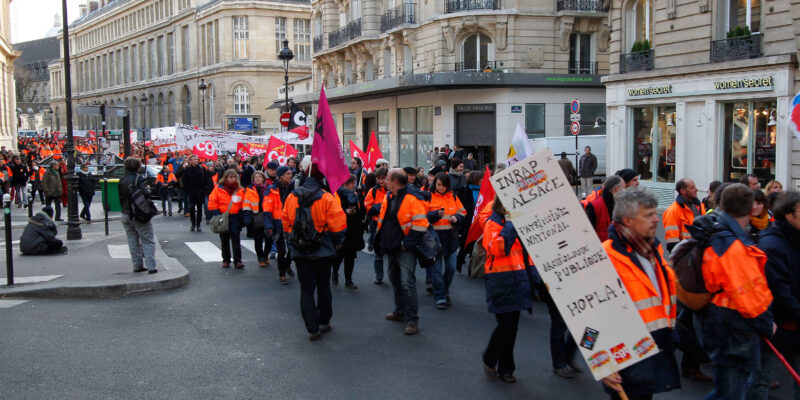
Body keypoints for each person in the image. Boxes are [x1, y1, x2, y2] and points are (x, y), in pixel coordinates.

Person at [694, 184, 774, 400]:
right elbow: (748, 296)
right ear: (750, 210)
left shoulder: (719, 233)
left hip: (717, 322)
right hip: (731, 329)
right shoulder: (732, 245)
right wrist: (768, 325)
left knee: (727, 391)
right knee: (730, 394)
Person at [601, 188, 680, 400]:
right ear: (627, 221)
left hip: (655, 347)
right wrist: (602, 363)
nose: (656, 219)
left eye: (655, 213)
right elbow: (586, 316)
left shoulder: (652, 250)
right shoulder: (606, 257)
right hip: (626, 357)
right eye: (648, 215)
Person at [282, 156, 347, 340]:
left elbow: (285, 221)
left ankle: (312, 327)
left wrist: (290, 242)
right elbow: (339, 225)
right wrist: (337, 241)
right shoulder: (327, 198)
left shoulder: (292, 197)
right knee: (324, 286)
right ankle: (324, 321)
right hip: (322, 249)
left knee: (306, 289)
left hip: (299, 249)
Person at [747, 191, 800, 399]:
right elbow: (780, 290)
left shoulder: (793, 239)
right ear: (789, 215)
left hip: (793, 323)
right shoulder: (773, 245)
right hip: (776, 325)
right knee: (761, 381)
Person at [481, 197, 535, 384]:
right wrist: (512, 225)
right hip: (500, 280)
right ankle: (491, 358)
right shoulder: (492, 224)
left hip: (518, 278)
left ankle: (506, 369)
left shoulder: (517, 222)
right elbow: (499, 248)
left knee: (512, 328)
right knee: (505, 326)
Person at [375, 168, 429, 335]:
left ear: (396, 182)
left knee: (407, 284)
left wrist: (407, 244)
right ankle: (399, 311)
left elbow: (420, 225)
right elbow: (385, 220)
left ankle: (412, 320)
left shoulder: (412, 199)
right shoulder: (389, 196)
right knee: (395, 280)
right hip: (391, 247)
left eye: (388, 179)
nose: (385, 182)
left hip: (405, 249)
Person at [427, 172, 466, 309]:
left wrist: (457, 218)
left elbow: (462, 212)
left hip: (451, 237)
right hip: (434, 237)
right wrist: (434, 215)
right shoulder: (428, 196)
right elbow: (422, 216)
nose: (441, 187)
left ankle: (443, 290)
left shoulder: (453, 196)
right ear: (434, 184)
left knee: (451, 267)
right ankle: (441, 297)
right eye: (439, 185)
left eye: (444, 185)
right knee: (436, 271)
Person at [118, 157, 157, 274]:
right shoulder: (139, 179)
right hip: (138, 213)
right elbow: (146, 193)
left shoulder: (122, 180)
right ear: (138, 167)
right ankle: (151, 266)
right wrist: (149, 190)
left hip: (126, 213)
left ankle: (137, 265)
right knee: (147, 239)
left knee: (132, 240)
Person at [208, 169, 247, 268]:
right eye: (231, 177)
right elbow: (212, 200)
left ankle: (238, 260)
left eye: (234, 177)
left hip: (235, 217)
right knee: (224, 239)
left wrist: (242, 215)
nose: (233, 179)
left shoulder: (240, 190)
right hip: (223, 216)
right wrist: (217, 213)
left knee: (236, 239)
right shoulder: (219, 188)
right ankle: (226, 260)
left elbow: (243, 203)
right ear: (226, 178)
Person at [333, 175, 365, 288]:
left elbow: (362, 208)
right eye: (351, 183)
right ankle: (335, 273)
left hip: (353, 229)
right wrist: (345, 212)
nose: (354, 185)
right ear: (344, 184)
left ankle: (348, 280)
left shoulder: (355, 194)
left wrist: (357, 212)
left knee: (350, 257)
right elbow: (334, 211)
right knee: (339, 256)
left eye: (354, 183)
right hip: (342, 230)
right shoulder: (337, 194)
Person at [265, 166, 295, 284]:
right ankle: (282, 274)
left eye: (290, 173)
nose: (290, 176)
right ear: (281, 175)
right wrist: (268, 225)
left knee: (292, 248)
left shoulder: (292, 187)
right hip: (277, 223)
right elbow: (267, 209)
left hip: (290, 222)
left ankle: (287, 265)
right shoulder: (272, 189)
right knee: (281, 250)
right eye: (288, 174)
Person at [662, 178, 705, 252]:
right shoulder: (673, 211)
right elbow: (672, 242)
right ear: (683, 191)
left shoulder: (700, 206)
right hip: (686, 255)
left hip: (699, 252)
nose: (696, 189)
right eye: (692, 188)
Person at [364, 167, 388, 284]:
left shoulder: (393, 190)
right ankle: (379, 276)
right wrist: (381, 207)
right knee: (378, 253)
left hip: (389, 224)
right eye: (379, 179)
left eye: (383, 179)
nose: (381, 181)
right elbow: (368, 207)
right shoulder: (372, 191)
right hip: (376, 224)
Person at [243, 171, 270, 267]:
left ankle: (266, 254)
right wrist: (247, 218)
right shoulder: (249, 190)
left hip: (267, 216)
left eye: (259, 177)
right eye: (255, 177)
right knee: (258, 239)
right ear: (253, 179)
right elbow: (246, 204)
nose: (257, 178)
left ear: (263, 178)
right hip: (256, 217)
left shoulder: (269, 189)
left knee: (269, 238)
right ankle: (260, 258)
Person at [585, 176, 624, 242]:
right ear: (616, 189)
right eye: (624, 188)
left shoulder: (622, 205)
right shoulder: (594, 206)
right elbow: (587, 232)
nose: (625, 191)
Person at [183, 155, 210, 232]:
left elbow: (206, 180)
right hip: (191, 192)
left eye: (197, 159)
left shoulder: (202, 169)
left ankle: (198, 224)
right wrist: (188, 190)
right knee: (191, 208)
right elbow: (185, 181)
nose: (196, 161)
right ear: (190, 161)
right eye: (194, 159)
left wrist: (204, 190)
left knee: (199, 209)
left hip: (200, 192)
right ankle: (193, 224)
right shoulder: (187, 170)